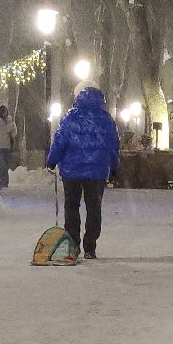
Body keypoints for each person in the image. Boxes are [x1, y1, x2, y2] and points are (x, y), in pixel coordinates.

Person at [46, 83, 120, 260]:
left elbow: (60, 141)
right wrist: (114, 168)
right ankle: (90, 246)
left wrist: (51, 161)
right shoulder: (106, 119)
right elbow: (113, 146)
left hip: (71, 171)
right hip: (97, 172)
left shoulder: (70, 118)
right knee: (94, 208)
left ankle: (73, 244)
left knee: (72, 208)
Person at [0, 103, 18, 189]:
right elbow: (5, 130)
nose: (4, 113)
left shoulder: (10, 120)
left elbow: (14, 131)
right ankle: (2, 181)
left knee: (5, 164)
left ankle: (4, 181)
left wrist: (12, 134)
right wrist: (11, 126)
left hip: (8, 145)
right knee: (1, 165)